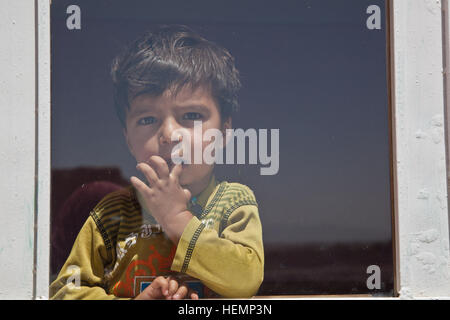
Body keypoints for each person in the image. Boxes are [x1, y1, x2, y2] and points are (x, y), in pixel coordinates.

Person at [50, 25, 264, 300]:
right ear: (128, 139)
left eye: (191, 115)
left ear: (222, 133)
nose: (169, 134)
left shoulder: (234, 202)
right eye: (148, 119)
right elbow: (65, 291)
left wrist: (177, 220)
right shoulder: (111, 215)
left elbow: (245, 280)